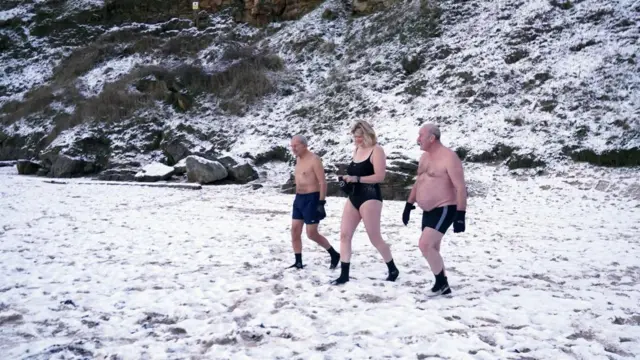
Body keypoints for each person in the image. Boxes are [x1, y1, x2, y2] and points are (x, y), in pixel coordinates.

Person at [331, 121, 400, 285]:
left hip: (370, 196)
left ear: (368, 135)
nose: (357, 140)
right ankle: (344, 274)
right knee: (344, 235)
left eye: (360, 137)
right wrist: (347, 180)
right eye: (355, 137)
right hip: (354, 196)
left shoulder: (377, 150)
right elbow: (353, 173)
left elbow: (380, 176)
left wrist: (358, 178)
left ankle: (392, 268)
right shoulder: (356, 150)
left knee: (374, 237)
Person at [402, 123, 467, 296]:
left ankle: (442, 283)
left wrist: (461, 215)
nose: (417, 139)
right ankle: (441, 285)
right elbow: (419, 181)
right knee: (433, 249)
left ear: (432, 138)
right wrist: (409, 204)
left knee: (425, 244)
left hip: (445, 207)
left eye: (420, 135)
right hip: (427, 210)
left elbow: (460, 187)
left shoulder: (449, 157)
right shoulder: (424, 157)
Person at [288, 135, 340, 270]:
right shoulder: (298, 159)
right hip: (299, 198)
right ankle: (298, 261)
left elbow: (323, 182)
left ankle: (334, 254)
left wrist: (321, 203)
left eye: (296, 146)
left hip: (312, 198)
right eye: (292, 146)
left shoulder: (314, 159)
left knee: (311, 233)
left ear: (304, 145)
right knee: (294, 230)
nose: (293, 149)